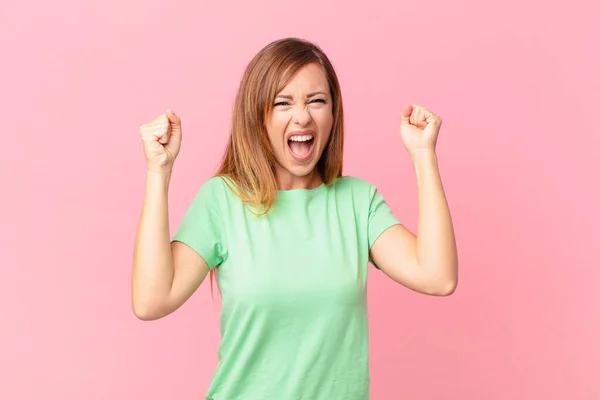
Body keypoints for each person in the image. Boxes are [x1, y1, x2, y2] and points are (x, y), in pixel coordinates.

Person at [132, 37, 458, 400]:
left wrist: (423, 154)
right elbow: (151, 301)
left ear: (333, 114)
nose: (302, 116)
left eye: (317, 101)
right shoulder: (223, 200)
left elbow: (437, 277)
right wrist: (158, 172)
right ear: (257, 116)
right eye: (282, 103)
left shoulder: (356, 202)